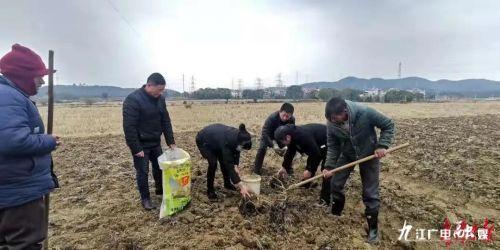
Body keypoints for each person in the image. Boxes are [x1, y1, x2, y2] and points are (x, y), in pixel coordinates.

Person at [0, 44, 61, 249]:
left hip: (10, 188)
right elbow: (12, 141)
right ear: (23, 75)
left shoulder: (9, 95)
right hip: (17, 192)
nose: (43, 81)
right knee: (24, 244)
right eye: (38, 75)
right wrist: (49, 141)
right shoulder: (8, 97)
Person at [322, 97, 395, 244]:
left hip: (369, 153)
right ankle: (336, 214)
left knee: (370, 193)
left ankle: (373, 229)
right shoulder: (331, 123)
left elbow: (388, 125)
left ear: (344, 111)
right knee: (335, 183)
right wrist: (329, 166)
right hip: (348, 153)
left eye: (335, 118)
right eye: (331, 119)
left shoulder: (365, 112)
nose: (333, 121)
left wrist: (382, 145)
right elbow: (333, 144)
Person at [122, 73, 176, 210]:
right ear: (149, 85)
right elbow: (129, 127)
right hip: (141, 144)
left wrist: (171, 141)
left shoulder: (160, 99)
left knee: (159, 167)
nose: (161, 92)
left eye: (162, 90)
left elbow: (165, 121)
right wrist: (136, 148)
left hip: (155, 141)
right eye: (159, 90)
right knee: (143, 171)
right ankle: (145, 198)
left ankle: (160, 190)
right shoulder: (133, 100)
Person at [274, 123, 330, 205]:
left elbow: (315, 154)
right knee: (311, 165)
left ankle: (325, 201)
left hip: (327, 142)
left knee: (326, 171)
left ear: (288, 137)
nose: (283, 144)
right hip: (316, 145)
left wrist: (309, 169)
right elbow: (290, 152)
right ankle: (305, 186)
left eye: (283, 142)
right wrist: (284, 167)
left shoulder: (302, 137)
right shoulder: (291, 135)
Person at [196, 123, 252, 200]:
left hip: (217, 142)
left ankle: (227, 183)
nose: (242, 150)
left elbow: (237, 151)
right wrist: (241, 185)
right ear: (239, 144)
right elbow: (229, 165)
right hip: (204, 141)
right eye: (242, 148)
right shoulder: (227, 143)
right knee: (213, 163)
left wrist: (236, 165)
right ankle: (210, 190)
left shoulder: (238, 137)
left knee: (223, 161)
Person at [253, 102, 295, 175]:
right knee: (262, 149)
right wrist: (273, 145)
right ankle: (256, 170)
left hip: (281, 137)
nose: (285, 118)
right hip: (268, 136)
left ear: (291, 116)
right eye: (283, 115)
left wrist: (286, 145)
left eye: (287, 116)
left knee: (288, 150)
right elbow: (264, 132)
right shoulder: (272, 118)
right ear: (280, 111)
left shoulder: (292, 120)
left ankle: (288, 168)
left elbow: (291, 132)